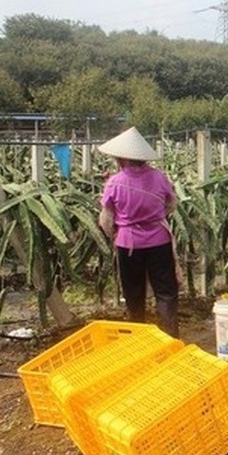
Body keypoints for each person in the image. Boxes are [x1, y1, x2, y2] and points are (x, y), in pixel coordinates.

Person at [96, 127, 181, 338]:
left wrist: (116, 233)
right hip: (159, 240)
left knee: (133, 292)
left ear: (122, 158)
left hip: (129, 243)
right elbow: (171, 205)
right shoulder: (160, 177)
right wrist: (154, 215)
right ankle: (170, 336)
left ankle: (138, 336)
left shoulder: (114, 182)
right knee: (166, 292)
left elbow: (106, 219)